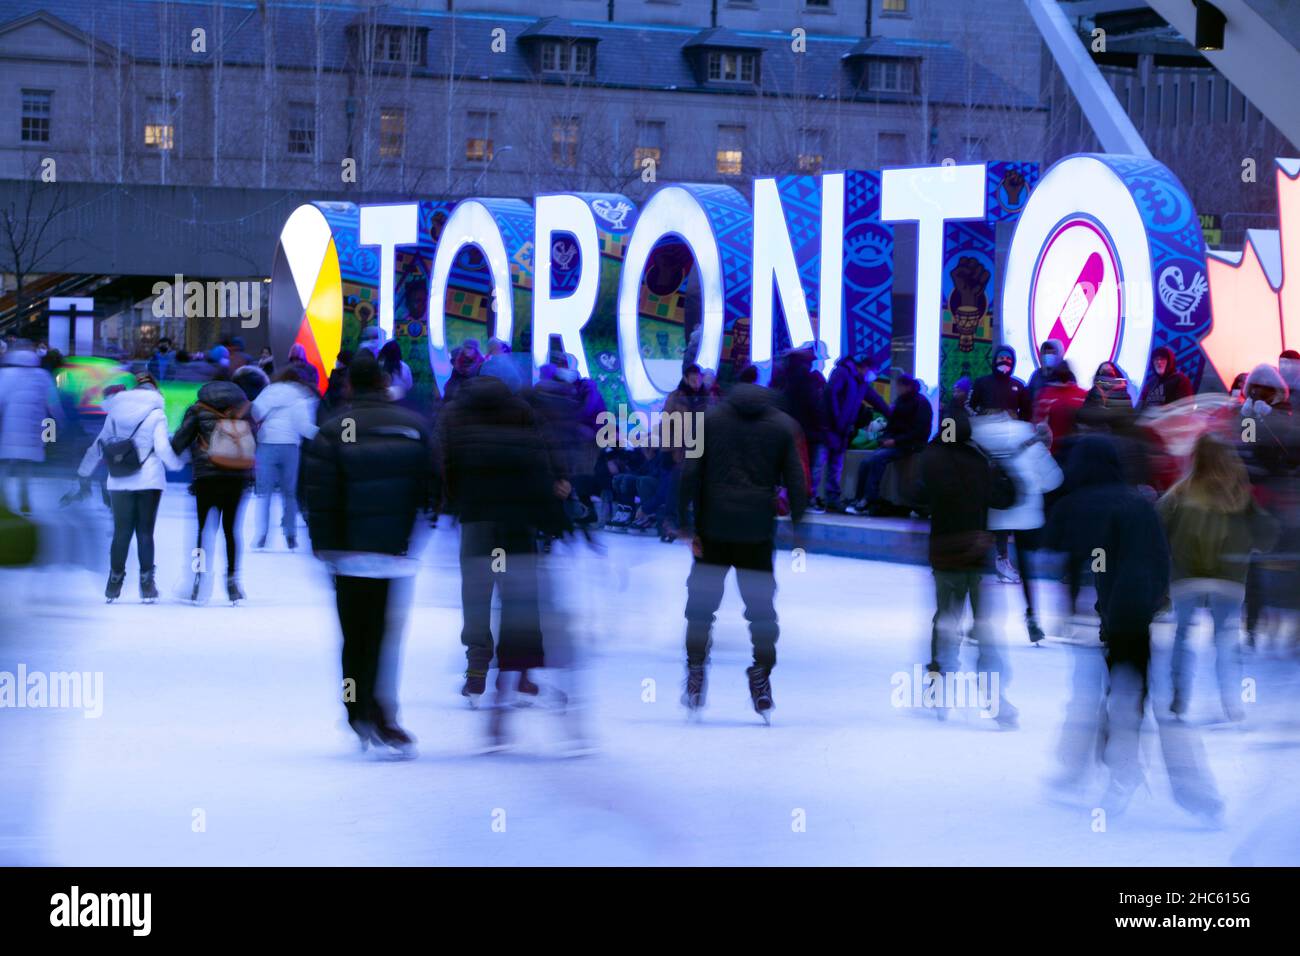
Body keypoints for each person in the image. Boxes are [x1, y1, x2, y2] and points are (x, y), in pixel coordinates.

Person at [1046, 435, 1222, 821]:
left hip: (1119, 617)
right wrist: (1152, 601)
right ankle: (1193, 792)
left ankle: (1121, 775)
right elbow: (1156, 555)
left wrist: (1087, 606)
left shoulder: (1081, 504)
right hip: (1141, 613)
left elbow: (1087, 558)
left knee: (1119, 699)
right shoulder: (1136, 503)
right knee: (1147, 701)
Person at [301, 352, 433, 758]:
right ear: (383, 383)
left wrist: (323, 544)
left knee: (353, 636)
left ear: (348, 386)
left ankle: (357, 710)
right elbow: (432, 489)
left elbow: (313, 493)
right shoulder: (412, 427)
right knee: (382, 635)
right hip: (393, 552)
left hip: (346, 553)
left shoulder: (332, 428)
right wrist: (412, 531)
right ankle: (383, 713)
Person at [677, 378, 807, 722]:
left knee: (701, 608)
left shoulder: (708, 421)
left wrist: (682, 520)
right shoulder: (782, 426)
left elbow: (689, 472)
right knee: (762, 611)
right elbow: (796, 479)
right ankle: (761, 674)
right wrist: (800, 524)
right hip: (756, 532)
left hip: (713, 530)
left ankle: (695, 672)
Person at [439, 370, 560, 732]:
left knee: (476, 594)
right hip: (516, 520)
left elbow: (443, 461)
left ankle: (477, 668)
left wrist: (452, 502)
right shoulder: (521, 411)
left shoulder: (456, 413)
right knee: (519, 596)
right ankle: (522, 672)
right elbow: (541, 461)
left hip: (476, 518)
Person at [1158, 433, 1278, 722]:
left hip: (1186, 577)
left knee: (1182, 633)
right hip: (1229, 577)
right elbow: (1266, 532)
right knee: (1225, 639)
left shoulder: (1180, 492)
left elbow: (1157, 526)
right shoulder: (1239, 495)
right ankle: (1231, 702)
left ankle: (1179, 695)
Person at [918, 403, 1018, 725]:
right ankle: (994, 696)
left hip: (945, 552)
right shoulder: (979, 462)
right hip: (976, 553)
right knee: (985, 627)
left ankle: (937, 686)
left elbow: (915, 496)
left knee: (945, 619)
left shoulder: (931, 458)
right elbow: (1005, 498)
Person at [72, 372, 183, 602]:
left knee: (121, 532)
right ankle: (147, 584)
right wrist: (176, 464)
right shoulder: (156, 414)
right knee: (145, 532)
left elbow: (98, 446)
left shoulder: (114, 414)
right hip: (149, 480)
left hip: (119, 480)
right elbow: (162, 449)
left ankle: (114, 583)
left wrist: (83, 471)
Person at [972, 408, 1064, 642]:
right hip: (1025, 512)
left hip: (991, 510)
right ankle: (1032, 616)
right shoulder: (1029, 439)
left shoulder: (978, 438)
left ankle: (979, 621)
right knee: (1026, 568)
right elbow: (1054, 479)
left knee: (979, 566)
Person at [172, 376, 256, 604]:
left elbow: (178, 442)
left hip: (206, 478)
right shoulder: (243, 409)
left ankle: (198, 578)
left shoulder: (197, 410)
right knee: (231, 530)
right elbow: (253, 441)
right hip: (237, 478)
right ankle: (232, 581)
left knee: (202, 531)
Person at [252, 366, 319, 550]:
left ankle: (262, 535)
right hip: (290, 446)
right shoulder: (301, 396)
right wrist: (323, 435)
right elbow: (304, 427)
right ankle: (291, 536)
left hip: (266, 444)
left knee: (264, 494)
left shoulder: (268, 392)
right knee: (289, 493)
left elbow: (255, 414)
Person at [846, 373, 932, 515]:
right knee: (865, 463)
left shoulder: (921, 403)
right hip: (896, 442)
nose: (897, 388)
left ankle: (869, 499)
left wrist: (895, 441)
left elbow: (919, 431)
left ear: (907, 386)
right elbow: (892, 425)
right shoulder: (901, 402)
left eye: (899, 385)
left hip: (910, 444)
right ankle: (859, 497)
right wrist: (885, 438)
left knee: (876, 459)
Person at [0, 341, 62, 514]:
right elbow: (53, 403)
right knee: (25, 466)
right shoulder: (42, 375)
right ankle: (24, 499)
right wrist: (60, 422)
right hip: (33, 429)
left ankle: (3, 500)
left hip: (9, 430)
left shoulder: (5, 374)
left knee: (5, 466)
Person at [819, 353, 884, 513]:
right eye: (873, 371)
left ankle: (831, 499)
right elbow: (830, 394)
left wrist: (891, 413)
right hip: (830, 428)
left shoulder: (860, 382)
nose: (873, 375)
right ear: (864, 366)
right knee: (819, 464)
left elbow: (876, 400)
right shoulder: (843, 373)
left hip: (842, 430)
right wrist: (836, 421)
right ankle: (812, 498)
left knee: (835, 465)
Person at [971, 344, 1032, 421]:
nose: (1005, 360)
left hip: (1011, 430)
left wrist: (1018, 420)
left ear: (1013, 362)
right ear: (995, 360)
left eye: (1008, 358)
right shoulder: (981, 382)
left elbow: (1026, 410)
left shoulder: (1019, 385)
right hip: (986, 428)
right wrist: (979, 418)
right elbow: (970, 405)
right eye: (1001, 358)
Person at [1137, 345, 1193, 409]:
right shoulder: (1152, 382)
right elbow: (1142, 402)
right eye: (1156, 359)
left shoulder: (1181, 380)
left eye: (1162, 359)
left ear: (1170, 361)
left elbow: (1186, 408)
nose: (1159, 362)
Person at [1025, 338, 1064, 406]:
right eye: (1046, 353)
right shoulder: (1037, 375)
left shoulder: (1065, 376)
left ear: (1059, 354)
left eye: (1052, 353)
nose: (1049, 356)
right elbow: (1027, 398)